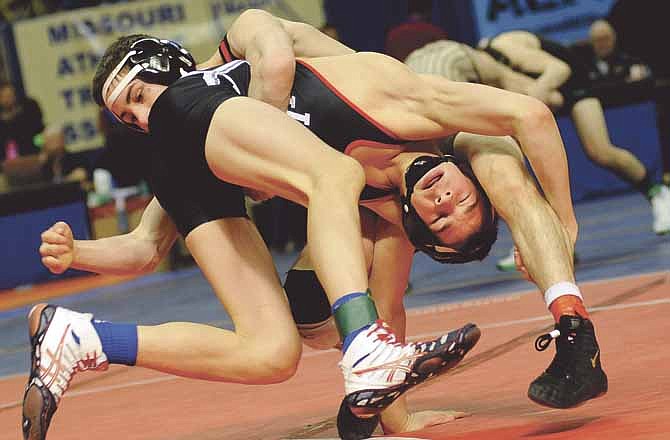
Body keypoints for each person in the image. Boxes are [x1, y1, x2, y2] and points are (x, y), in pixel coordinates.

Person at [25, 9, 600, 440]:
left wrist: (79, 253)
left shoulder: (380, 206)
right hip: (246, 120)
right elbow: (266, 41)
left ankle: (82, 338)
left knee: (271, 354)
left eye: (139, 102)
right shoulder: (358, 92)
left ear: (415, 222)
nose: (143, 118)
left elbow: (145, 247)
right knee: (337, 176)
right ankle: (362, 348)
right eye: (131, 113)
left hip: (222, 159)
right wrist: (567, 226)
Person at [471, 30, 670, 270]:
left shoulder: (506, 49)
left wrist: (532, 97)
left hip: (575, 80)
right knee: (520, 162)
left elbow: (559, 70)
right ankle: (544, 242)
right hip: (549, 93)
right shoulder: (486, 75)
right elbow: (549, 99)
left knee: (600, 150)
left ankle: (658, 193)